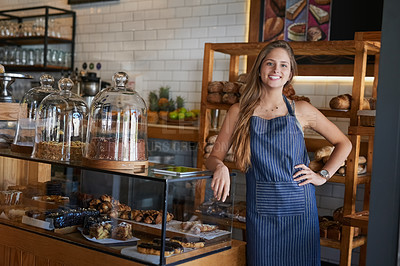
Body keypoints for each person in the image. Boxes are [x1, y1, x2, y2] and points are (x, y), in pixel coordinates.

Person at [205, 40, 352, 266]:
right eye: (270, 63)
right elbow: (213, 158)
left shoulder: (301, 110)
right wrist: (220, 167)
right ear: (260, 69)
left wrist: (322, 176)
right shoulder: (239, 111)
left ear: (290, 72)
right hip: (262, 215)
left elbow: (344, 143)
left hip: (300, 212)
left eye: (284, 65)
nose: (276, 70)